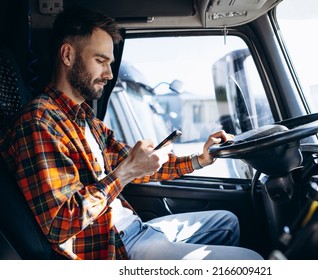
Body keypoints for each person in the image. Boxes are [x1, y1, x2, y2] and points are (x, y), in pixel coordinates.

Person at [0, 6, 263, 260]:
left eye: (110, 63)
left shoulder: (86, 119)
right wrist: (124, 173)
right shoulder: (39, 122)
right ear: (67, 55)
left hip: (132, 230)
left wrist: (200, 159)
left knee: (228, 222)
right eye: (100, 61)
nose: (109, 73)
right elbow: (60, 223)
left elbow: (140, 164)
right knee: (253, 261)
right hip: (114, 250)